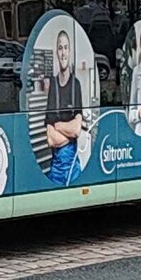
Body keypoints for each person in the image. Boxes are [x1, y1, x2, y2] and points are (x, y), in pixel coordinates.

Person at [45, 28, 85, 185]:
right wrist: (69, 131)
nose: (63, 53)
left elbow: (76, 130)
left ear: (70, 51)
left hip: (73, 169)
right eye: (60, 48)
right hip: (55, 170)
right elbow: (51, 139)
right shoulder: (52, 86)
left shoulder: (76, 85)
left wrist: (57, 124)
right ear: (56, 52)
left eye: (66, 48)